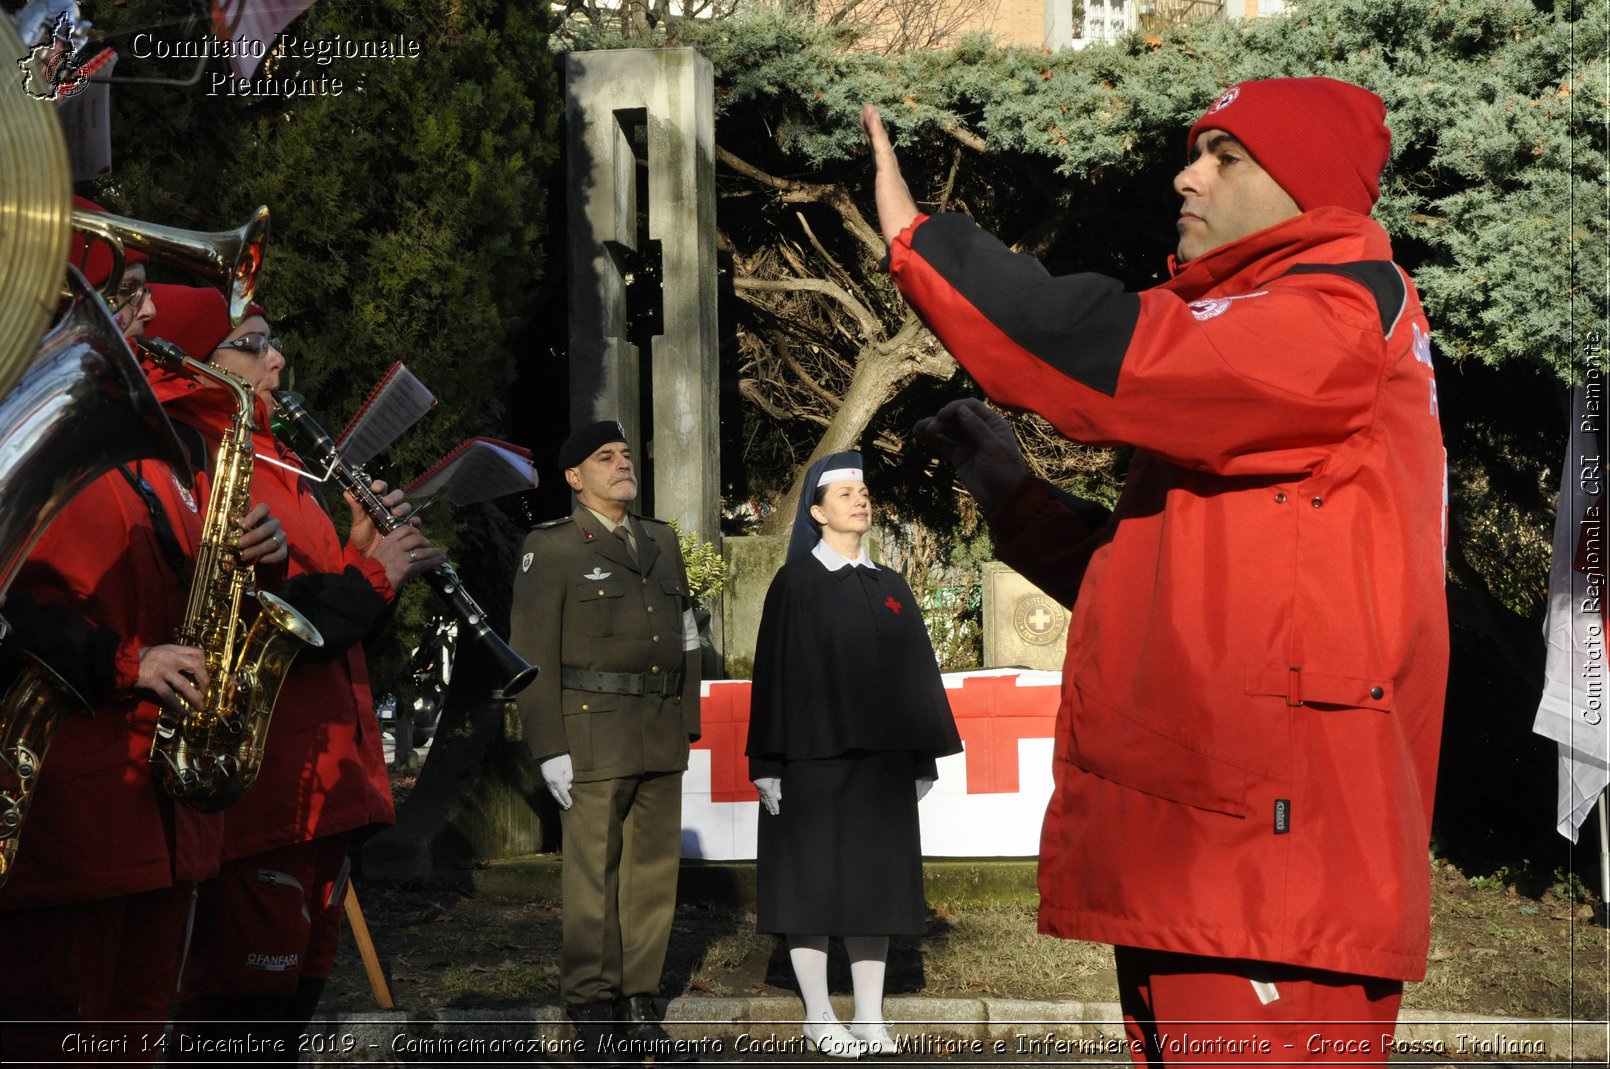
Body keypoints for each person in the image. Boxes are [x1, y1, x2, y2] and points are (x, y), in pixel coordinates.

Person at [869, 76, 1449, 1066]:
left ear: (1305, 191)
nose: (1187, 174)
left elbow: (1118, 352)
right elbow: (1168, 588)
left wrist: (924, 243)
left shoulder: (1335, 313)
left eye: (1225, 156)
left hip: (1268, 871)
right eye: (1194, 149)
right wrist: (1016, 495)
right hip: (1221, 865)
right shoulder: (1278, 334)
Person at [0, 220, 286, 1064]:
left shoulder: (172, 458)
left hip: (164, 819)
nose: (148, 309)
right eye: (124, 295)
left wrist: (246, 564)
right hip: (76, 805)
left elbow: (181, 603)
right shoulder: (35, 438)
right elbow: (16, 612)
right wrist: (133, 661)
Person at [141, 284, 444, 1051]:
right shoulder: (191, 454)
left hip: (324, 783)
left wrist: (361, 547)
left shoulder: (278, 458)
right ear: (199, 360)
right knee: (242, 1017)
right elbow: (250, 619)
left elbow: (319, 619)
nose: (276, 359)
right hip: (265, 785)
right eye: (252, 342)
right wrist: (371, 575)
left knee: (292, 1009)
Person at [745, 451, 962, 1059]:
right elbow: (773, 677)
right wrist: (766, 761)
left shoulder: (890, 585)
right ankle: (818, 1013)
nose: (860, 501)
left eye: (863, 492)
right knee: (809, 887)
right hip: (811, 762)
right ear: (816, 511)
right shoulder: (795, 584)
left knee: (877, 888)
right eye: (845, 494)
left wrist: (923, 757)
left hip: (883, 766)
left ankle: (870, 1015)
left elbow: (918, 675)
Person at [509, 420, 702, 1061]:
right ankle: (591, 1008)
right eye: (605, 457)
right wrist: (548, 745)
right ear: (574, 477)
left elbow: (686, 636)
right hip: (589, 730)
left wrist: (687, 720)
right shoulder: (556, 548)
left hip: (657, 729)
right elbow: (531, 654)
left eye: (625, 454)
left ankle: (639, 1001)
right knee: (593, 875)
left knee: (652, 873)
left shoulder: (661, 541)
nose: (622, 464)